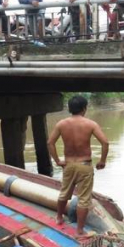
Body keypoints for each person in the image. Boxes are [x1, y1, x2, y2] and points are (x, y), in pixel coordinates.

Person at [47, 95, 109, 236]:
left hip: (68, 165)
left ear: (69, 108)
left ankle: (58, 218)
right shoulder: (90, 124)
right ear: (84, 108)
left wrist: (57, 161)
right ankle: (80, 230)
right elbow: (105, 143)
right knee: (83, 199)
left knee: (64, 192)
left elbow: (50, 143)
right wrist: (102, 161)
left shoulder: (61, 124)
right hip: (84, 165)